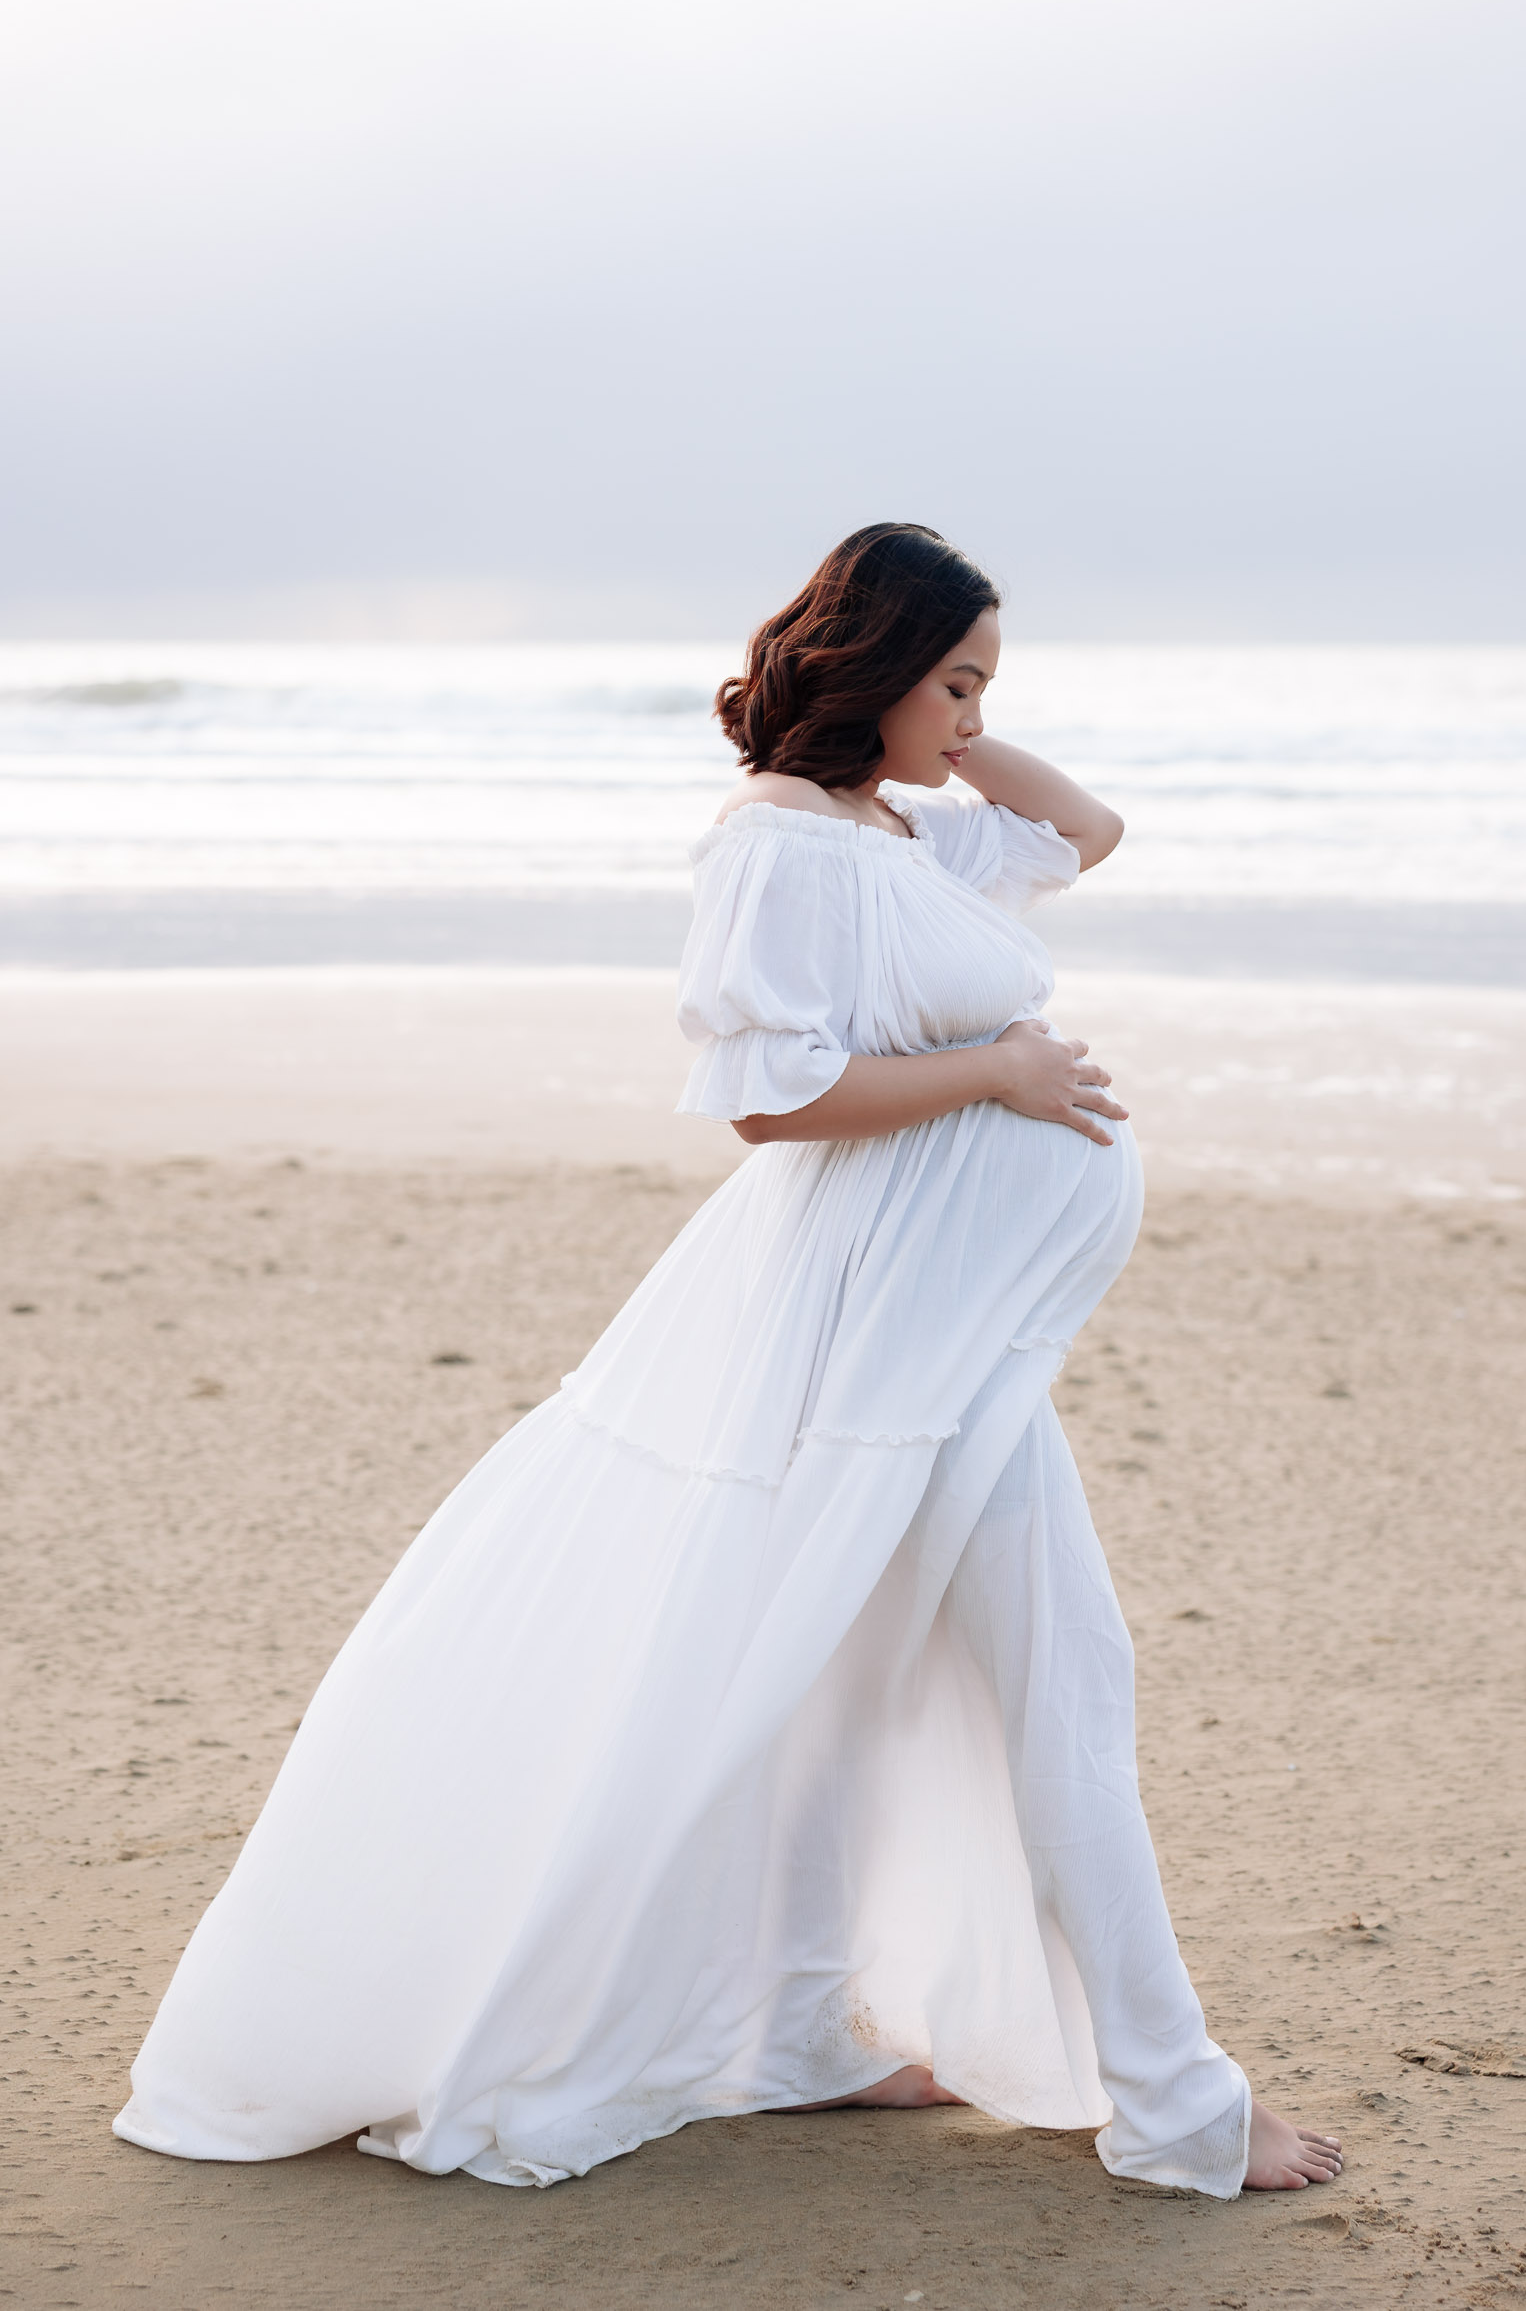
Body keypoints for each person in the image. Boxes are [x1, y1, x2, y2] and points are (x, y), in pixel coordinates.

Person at [113, 523, 1342, 2197]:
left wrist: (966, 729)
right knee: (1050, 1689)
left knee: (872, 1678)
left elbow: (1090, 833)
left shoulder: (898, 833)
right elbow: (771, 1098)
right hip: (875, 1336)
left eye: (991, 684)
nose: (977, 713)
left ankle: (803, 2029)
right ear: (876, 667)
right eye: (959, 677)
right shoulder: (778, 845)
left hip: (947, 1330)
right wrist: (994, 1072)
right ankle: (1181, 2105)